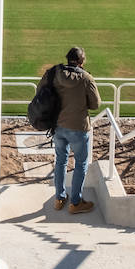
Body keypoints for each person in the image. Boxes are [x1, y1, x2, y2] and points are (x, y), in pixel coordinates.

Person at [49, 46, 101, 214]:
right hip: (79, 127)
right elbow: (95, 104)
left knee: (61, 161)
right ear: (82, 61)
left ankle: (59, 198)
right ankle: (76, 202)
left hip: (58, 126)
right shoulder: (86, 78)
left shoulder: (55, 73)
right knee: (80, 164)